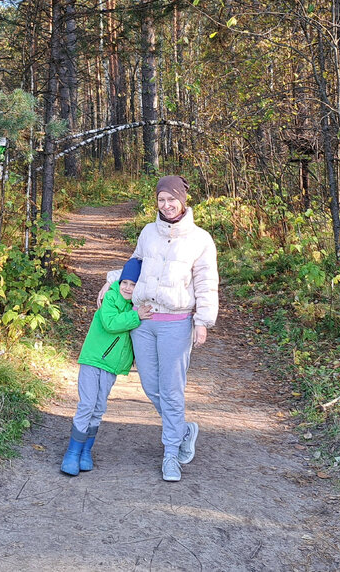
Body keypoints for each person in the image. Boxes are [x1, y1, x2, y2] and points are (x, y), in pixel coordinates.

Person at [98, 174, 218, 482]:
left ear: (183, 200)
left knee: (172, 390)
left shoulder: (200, 239)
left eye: (171, 199)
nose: (166, 205)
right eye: (161, 200)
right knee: (151, 387)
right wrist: (111, 282)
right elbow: (135, 264)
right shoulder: (148, 232)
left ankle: (170, 456)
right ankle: (183, 429)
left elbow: (206, 282)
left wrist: (203, 320)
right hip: (144, 321)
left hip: (176, 324)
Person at [62, 257, 152, 476]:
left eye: (133, 285)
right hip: (93, 360)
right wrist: (135, 316)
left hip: (111, 367)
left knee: (99, 408)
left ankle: (85, 451)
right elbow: (110, 323)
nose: (128, 288)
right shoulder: (110, 297)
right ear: (119, 282)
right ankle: (72, 453)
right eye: (125, 283)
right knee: (87, 404)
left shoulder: (135, 305)